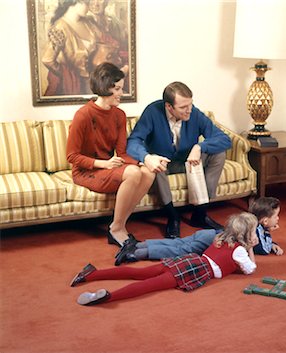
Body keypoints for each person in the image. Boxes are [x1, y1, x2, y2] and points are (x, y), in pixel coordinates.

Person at [70, 212, 258, 306]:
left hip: (188, 260)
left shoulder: (220, 238)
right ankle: (110, 297)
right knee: (148, 285)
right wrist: (251, 248)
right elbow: (250, 269)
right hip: (193, 270)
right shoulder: (240, 251)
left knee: (140, 273)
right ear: (247, 234)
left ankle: (92, 274)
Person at [66, 62, 156, 247]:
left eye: (121, 88)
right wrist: (104, 164)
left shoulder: (119, 115)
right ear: (104, 87)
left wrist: (144, 162)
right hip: (86, 171)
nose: (121, 94)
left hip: (110, 167)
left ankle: (118, 226)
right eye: (117, 89)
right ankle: (116, 230)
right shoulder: (82, 115)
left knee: (148, 172)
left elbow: (122, 152)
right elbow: (72, 156)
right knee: (132, 173)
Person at [126, 81, 232, 239]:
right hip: (163, 163)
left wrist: (199, 147)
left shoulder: (193, 113)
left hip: (188, 161)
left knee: (219, 153)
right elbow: (133, 142)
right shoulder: (152, 112)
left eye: (190, 104)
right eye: (183, 107)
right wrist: (147, 157)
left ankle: (200, 213)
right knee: (153, 165)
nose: (189, 110)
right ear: (169, 106)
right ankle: (172, 216)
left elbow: (224, 139)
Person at [114, 197, 283, 265]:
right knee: (179, 250)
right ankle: (136, 254)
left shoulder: (249, 221)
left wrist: (272, 240)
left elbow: (266, 242)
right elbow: (262, 249)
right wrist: (269, 237)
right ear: (265, 221)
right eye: (276, 217)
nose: (277, 220)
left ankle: (135, 245)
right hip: (211, 241)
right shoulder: (255, 232)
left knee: (179, 242)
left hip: (209, 233)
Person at [42, 0, 101, 96]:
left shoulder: (88, 23)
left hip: (93, 82)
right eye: (87, 3)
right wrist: (67, 74)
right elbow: (47, 60)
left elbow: (103, 42)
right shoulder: (60, 27)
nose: (90, 6)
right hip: (74, 86)